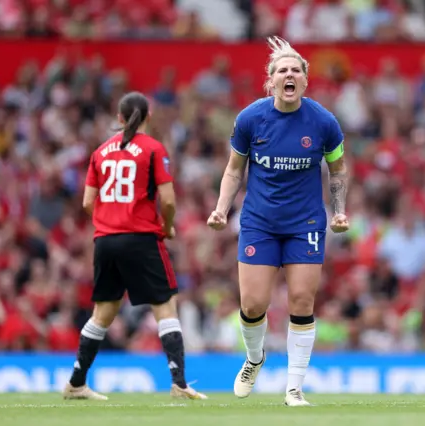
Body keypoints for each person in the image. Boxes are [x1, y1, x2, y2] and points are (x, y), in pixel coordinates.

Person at [207, 36, 349, 406]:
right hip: (259, 222)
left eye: (295, 69)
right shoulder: (251, 119)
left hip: (305, 224)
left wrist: (339, 210)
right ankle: (255, 359)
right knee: (253, 305)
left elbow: (337, 171)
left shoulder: (324, 122)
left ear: (305, 79)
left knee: (302, 300)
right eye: (281, 70)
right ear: (270, 81)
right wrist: (222, 208)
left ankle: (294, 388)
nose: (289, 74)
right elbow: (233, 171)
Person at [63, 91, 206, 401]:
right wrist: (165, 227)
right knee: (165, 306)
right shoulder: (153, 149)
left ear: (119, 118)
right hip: (140, 238)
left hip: (105, 240)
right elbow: (167, 200)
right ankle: (179, 383)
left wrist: (109, 218)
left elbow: (88, 202)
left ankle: (76, 382)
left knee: (103, 312)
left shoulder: (100, 152)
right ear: (148, 117)